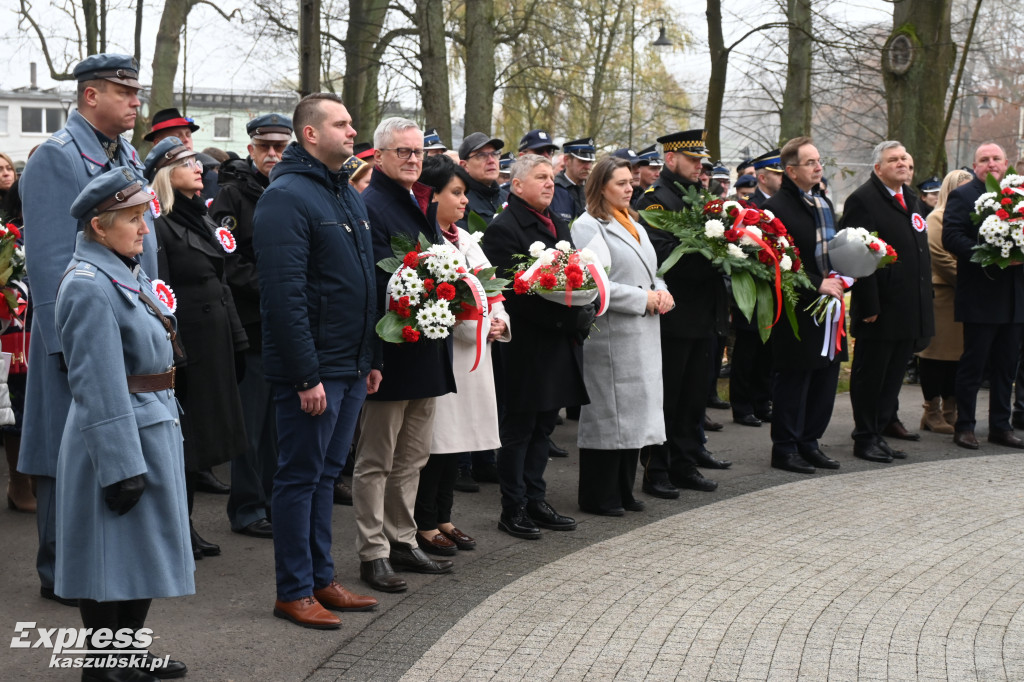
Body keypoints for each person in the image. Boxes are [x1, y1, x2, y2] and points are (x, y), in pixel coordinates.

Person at [19, 53, 158, 608]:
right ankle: (59, 567)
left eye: (136, 92)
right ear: (89, 96)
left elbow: (140, 250)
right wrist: (65, 348)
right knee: (64, 448)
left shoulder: (122, 152)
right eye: (124, 93)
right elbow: (51, 259)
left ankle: (99, 562)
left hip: (119, 323)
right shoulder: (57, 157)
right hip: (75, 332)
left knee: (110, 443)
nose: (135, 102)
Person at [58, 168, 194, 680]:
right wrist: (120, 465)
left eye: (143, 217)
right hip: (119, 431)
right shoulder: (89, 285)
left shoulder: (122, 268)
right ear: (99, 226)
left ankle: (128, 653)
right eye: (134, 219)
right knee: (108, 553)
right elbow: (95, 382)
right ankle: (104, 664)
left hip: (150, 422)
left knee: (143, 550)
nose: (144, 229)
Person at [253, 93, 380, 629]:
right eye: (342, 124)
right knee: (300, 477)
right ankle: (294, 589)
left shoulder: (342, 190)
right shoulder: (286, 197)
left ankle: (322, 579)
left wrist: (368, 356)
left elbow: (361, 281)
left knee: (327, 475)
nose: (353, 132)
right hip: (314, 370)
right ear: (310, 134)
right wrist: (306, 374)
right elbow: (284, 297)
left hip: (349, 365)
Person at [354, 117, 456, 592]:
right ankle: (373, 551)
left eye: (419, 153)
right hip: (390, 353)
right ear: (378, 156)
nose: (414, 159)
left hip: (424, 351)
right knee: (377, 459)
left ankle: (402, 537)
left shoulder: (419, 202)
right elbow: (374, 285)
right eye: (403, 152)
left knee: (412, 456)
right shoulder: (372, 204)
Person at [144, 137, 249, 560]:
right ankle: (176, 529)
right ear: (168, 174)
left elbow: (222, 284)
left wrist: (238, 338)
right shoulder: (160, 223)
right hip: (188, 344)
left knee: (200, 442)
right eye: (187, 163)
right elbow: (160, 291)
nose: (199, 169)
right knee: (184, 441)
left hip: (216, 338)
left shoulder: (200, 217)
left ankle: (183, 527)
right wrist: (175, 351)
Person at [482, 154, 590, 538]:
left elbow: (577, 274)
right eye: (541, 177)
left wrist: (586, 306)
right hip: (526, 346)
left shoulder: (558, 221)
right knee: (520, 428)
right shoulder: (504, 228)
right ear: (517, 185)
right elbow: (512, 293)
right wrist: (567, 317)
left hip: (558, 342)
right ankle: (513, 507)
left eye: (551, 177)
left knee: (545, 425)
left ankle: (535, 498)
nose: (549, 183)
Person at [413, 155, 510, 554]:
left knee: (459, 441)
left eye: (466, 193)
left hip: (475, 355)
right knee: (436, 442)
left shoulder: (465, 239)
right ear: (432, 197)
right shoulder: (425, 242)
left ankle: (444, 516)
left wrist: (500, 320)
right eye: (456, 192)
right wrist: (477, 323)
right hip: (447, 354)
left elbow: (492, 288)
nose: (464, 201)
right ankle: (423, 522)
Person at [571, 156, 672, 516]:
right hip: (612, 333)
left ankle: (624, 489)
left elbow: (652, 271)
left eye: (631, 182)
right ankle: (599, 495)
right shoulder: (588, 226)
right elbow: (597, 283)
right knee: (609, 414)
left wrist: (662, 290)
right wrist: (643, 298)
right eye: (621, 183)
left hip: (642, 329)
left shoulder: (635, 223)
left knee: (635, 414)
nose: (630, 188)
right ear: (600, 187)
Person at [209, 113, 294, 538]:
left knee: (281, 425)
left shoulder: (293, 191)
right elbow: (228, 261)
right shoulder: (232, 196)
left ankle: (271, 501)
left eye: (280, 147)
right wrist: (276, 288)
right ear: (251, 149)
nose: (273, 155)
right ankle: (246, 507)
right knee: (253, 423)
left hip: (289, 324)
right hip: (254, 322)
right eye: (266, 147)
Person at [635, 129, 727, 497]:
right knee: (668, 397)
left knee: (692, 398)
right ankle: (656, 469)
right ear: (671, 159)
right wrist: (714, 255)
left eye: (701, 161)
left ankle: (685, 463)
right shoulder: (656, 201)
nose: (699, 167)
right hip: (673, 315)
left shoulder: (701, 199)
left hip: (703, 314)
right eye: (692, 160)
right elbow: (663, 256)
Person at [845, 140, 934, 463]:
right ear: (877, 168)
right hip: (880, 307)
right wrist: (868, 305)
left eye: (905, 159)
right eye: (893, 159)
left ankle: (880, 430)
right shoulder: (864, 200)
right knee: (872, 374)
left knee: (893, 374)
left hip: (909, 304)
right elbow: (858, 256)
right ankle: (864, 436)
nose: (902, 164)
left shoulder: (910, 198)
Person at [763, 136, 845, 474]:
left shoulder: (822, 201)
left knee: (825, 378)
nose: (818, 166)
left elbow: (832, 249)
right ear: (791, 170)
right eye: (810, 162)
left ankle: (810, 443)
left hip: (829, 307)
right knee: (795, 379)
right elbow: (772, 263)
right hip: (797, 308)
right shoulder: (775, 209)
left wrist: (846, 272)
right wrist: (816, 283)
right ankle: (785, 447)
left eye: (818, 161)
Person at [942, 142, 1024, 450]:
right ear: (975, 165)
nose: (991, 164)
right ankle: (964, 426)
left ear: (1006, 163)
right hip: (980, 295)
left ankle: (1000, 427)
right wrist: (988, 254)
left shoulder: (1019, 195)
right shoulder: (963, 195)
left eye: (996, 158)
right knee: (973, 365)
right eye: (984, 159)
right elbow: (951, 236)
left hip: (1015, 297)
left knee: (1006, 367)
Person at [917, 169, 973, 434]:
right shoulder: (937, 218)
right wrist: (973, 281)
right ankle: (932, 411)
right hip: (944, 295)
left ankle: (950, 409)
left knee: (957, 358)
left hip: (962, 297)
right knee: (935, 357)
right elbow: (941, 258)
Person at [457, 132, 505, 229]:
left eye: (495, 154)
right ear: (464, 165)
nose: (491, 160)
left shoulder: (508, 197)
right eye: (481, 155)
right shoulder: (460, 201)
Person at [551, 137, 596, 223]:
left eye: (590, 161)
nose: (587, 167)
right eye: (582, 161)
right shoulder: (553, 189)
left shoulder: (594, 190)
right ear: (566, 160)